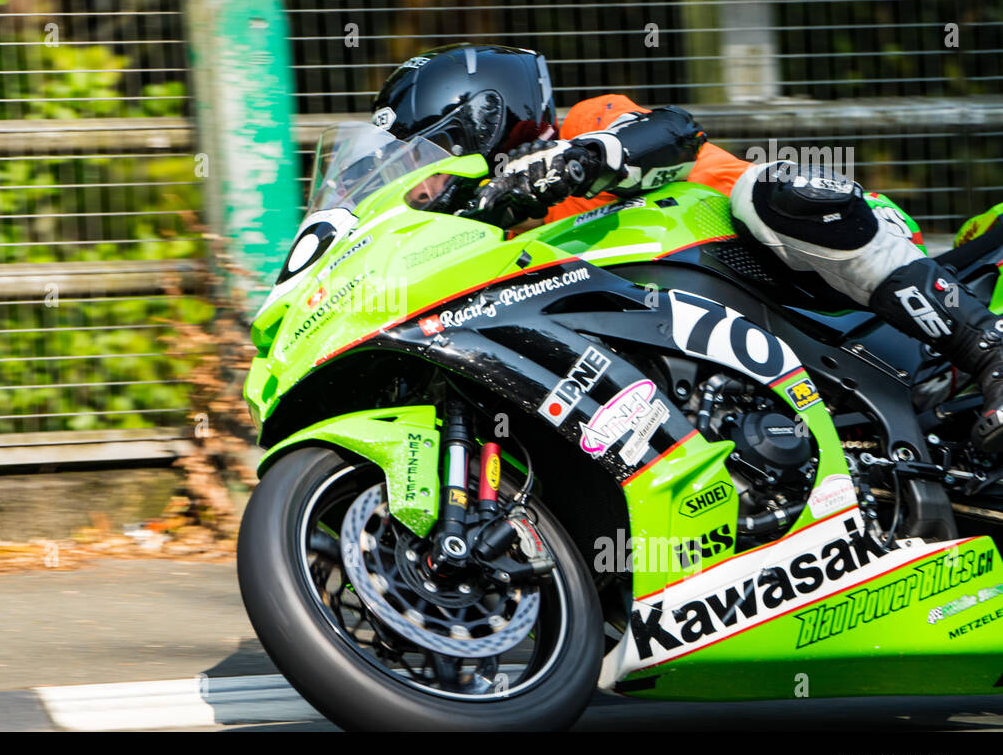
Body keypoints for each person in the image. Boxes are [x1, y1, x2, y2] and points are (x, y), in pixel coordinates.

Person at [371, 43, 1003, 452]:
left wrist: (582, 159)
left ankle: (986, 345)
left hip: (802, 259)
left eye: (427, 156)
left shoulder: (585, 125)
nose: (421, 183)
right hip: (713, 352)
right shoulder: (493, 240)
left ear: (482, 121)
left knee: (776, 188)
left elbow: (674, 131)